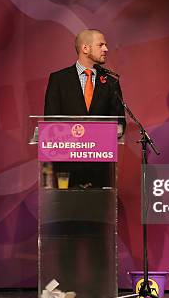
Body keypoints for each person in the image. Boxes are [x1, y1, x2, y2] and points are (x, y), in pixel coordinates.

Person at [44, 29, 125, 188]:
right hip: (66, 167)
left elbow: (119, 122)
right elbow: (51, 121)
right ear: (85, 48)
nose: (106, 49)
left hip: (100, 166)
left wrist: (115, 131)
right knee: (67, 210)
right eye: (101, 45)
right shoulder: (59, 79)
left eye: (106, 45)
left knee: (97, 211)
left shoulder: (110, 82)